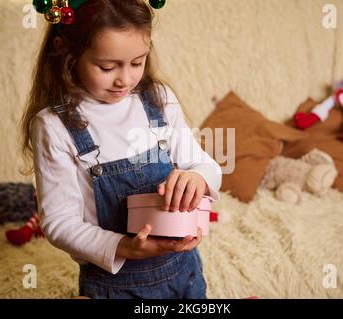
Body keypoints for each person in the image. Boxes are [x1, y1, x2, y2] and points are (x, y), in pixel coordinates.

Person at [20, 0, 222, 299]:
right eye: (107, 66)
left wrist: (199, 178)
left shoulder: (158, 99)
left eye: (137, 62)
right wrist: (124, 247)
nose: (125, 79)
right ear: (66, 52)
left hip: (183, 272)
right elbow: (60, 222)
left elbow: (204, 165)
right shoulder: (54, 126)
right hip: (114, 284)